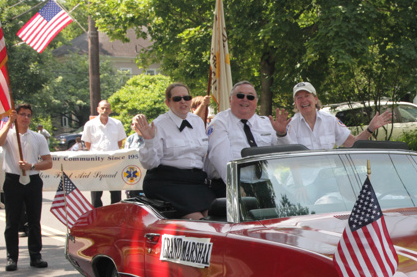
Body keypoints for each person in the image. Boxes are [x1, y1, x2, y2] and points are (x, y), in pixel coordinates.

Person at [133, 83, 215, 219]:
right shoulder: (159, 124)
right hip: (167, 181)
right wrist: (149, 140)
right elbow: (149, 164)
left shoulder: (198, 122)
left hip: (195, 182)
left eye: (187, 97)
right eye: (177, 99)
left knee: (215, 215)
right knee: (198, 220)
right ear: (168, 103)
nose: (183, 101)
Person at [0, 104, 53, 271]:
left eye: (28, 115)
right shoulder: (8, 134)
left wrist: (31, 166)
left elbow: (48, 162)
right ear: (16, 116)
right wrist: (8, 123)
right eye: (22, 114)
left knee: (34, 221)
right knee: (12, 222)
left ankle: (36, 255)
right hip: (13, 180)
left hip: (32, 181)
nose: (25, 118)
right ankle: (12, 257)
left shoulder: (38, 137)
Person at [205, 80, 290, 197]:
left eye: (250, 97)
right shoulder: (220, 122)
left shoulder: (266, 123)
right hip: (229, 184)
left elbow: (285, 154)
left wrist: (281, 134)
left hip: (264, 183)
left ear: (256, 102)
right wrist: (234, 187)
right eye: (240, 96)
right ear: (230, 100)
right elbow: (220, 158)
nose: (245, 99)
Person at [277, 81, 392, 150]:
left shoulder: (330, 120)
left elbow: (353, 144)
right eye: (299, 98)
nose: (303, 100)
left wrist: (370, 129)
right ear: (295, 103)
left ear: (315, 99)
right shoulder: (291, 125)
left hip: (329, 176)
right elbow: (292, 160)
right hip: (305, 181)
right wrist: (300, 186)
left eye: (307, 95)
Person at [81, 100, 126, 208]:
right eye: (102, 108)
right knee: (96, 194)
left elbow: (119, 142)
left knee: (115, 192)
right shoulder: (90, 125)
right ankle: (97, 215)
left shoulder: (117, 123)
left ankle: (115, 214)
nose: (104, 110)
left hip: (114, 163)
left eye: (107, 108)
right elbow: (88, 143)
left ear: (110, 110)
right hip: (97, 163)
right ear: (98, 109)